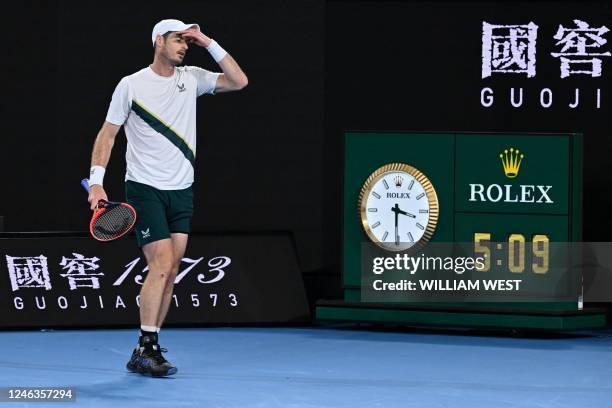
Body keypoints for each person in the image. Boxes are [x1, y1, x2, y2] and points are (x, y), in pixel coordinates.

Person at [87, 19, 248, 377]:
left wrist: (208, 42)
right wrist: (97, 181)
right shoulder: (130, 85)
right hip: (144, 189)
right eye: (179, 40)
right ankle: (146, 348)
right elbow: (108, 133)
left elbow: (239, 81)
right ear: (159, 41)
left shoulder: (191, 77)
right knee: (160, 265)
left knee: (171, 269)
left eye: (187, 42)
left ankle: (148, 345)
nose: (184, 47)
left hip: (182, 190)